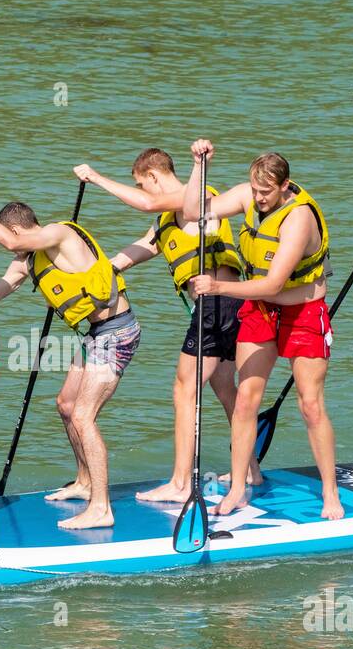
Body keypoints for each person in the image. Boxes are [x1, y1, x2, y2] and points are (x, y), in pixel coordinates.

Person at [72, 151, 263, 503]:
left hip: (216, 303)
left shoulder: (197, 193)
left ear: (154, 175)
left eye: (141, 182)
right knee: (223, 386)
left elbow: (146, 203)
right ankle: (250, 468)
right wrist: (101, 271)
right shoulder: (167, 218)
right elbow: (144, 247)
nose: (142, 190)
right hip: (226, 308)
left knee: (183, 389)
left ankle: (179, 484)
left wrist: (97, 178)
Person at [0, 187, 140, 530]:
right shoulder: (31, 257)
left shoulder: (59, 233)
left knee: (84, 416)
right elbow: (3, 285)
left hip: (118, 332)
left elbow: (11, 245)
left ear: (16, 230)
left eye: (10, 236)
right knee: (66, 404)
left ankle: (102, 507)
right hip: (96, 335)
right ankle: (84, 483)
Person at [184, 141, 344, 521]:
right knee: (244, 400)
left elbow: (274, 284)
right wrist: (196, 165)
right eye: (254, 190)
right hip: (260, 311)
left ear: (285, 187)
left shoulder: (298, 217)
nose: (257, 199)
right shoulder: (248, 195)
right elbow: (192, 211)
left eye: (266, 192)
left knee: (310, 404)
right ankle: (239, 488)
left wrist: (218, 287)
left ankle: (330, 492)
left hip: (302, 310)